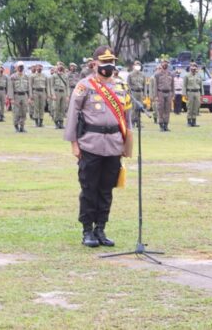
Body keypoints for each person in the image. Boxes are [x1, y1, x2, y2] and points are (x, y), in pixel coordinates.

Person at [64, 46, 132, 248]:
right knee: (89, 189)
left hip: (114, 144)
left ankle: (100, 228)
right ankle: (87, 230)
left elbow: (127, 119)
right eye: (104, 62)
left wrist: (126, 145)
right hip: (90, 143)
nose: (108, 65)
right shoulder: (84, 86)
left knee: (106, 189)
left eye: (111, 61)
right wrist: (74, 144)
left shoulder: (121, 86)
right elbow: (72, 115)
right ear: (94, 64)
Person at [8, 61, 31, 133]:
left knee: (24, 112)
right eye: (19, 67)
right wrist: (11, 98)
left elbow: (29, 87)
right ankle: (16, 126)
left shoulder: (26, 76)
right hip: (16, 96)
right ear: (16, 68)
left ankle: (22, 127)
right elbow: (10, 88)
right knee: (16, 112)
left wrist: (30, 97)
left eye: (22, 67)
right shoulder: (13, 77)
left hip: (24, 95)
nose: (21, 68)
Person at [153, 58, 174, 132]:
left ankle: (166, 125)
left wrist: (173, 94)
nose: (165, 64)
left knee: (167, 109)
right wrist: (156, 96)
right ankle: (161, 125)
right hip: (160, 93)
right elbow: (155, 85)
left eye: (166, 63)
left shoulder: (171, 74)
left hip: (168, 93)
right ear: (161, 64)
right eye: (163, 63)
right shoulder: (157, 74)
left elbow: (172, 85)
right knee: (160, 109)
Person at [49, 62, 70, 129]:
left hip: (63, 92)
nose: (60, 67)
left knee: (62, 108)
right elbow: (51, 86)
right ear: (57, 67)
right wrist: (53, 94)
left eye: (61, 66)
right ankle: (56, 122)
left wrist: (68, 95)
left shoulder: (65, 76)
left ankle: (61, 122)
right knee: (56, 108)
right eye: (59, 66)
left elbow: (67, 86)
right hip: (56, 92)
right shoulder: (54, 76)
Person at [184, 62, 204, 128]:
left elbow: (201, 85)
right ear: (190, 67)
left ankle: (194, 121)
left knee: (196, 107)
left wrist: (202, 94)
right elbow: (184, 86)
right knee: (190, 107)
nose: (193, 68)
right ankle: (189, 122)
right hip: (190, 92)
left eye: (195, 67)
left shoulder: (199, 75)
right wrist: (184, 94)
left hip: (197, 92)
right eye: (192, 67)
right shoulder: (187, 76)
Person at [126, 61, 146, 127]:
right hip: (133, 92)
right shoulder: (130, 75)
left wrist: (144, 94)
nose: (137, 66)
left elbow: (144, 85)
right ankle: (132, 122)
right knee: (133, 108)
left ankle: (138, 122)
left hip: (140, 93)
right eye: (136, 65)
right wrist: (129, 94)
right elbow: (128, 85)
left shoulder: (143, 75)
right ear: (133, 66)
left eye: (139, 65)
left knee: (139, 108)